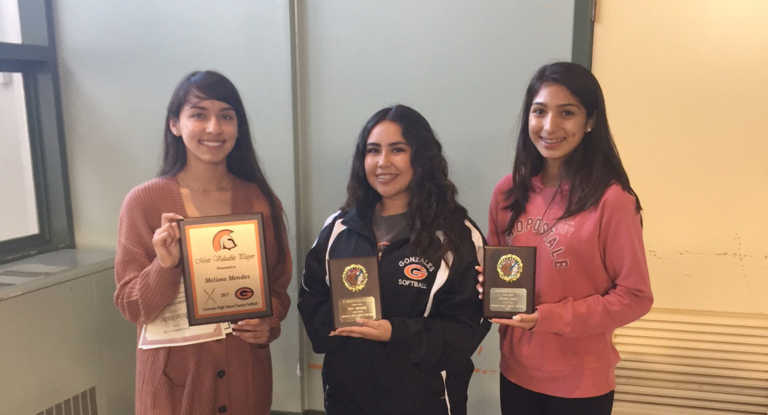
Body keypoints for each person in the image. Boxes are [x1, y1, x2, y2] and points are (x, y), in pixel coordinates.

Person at [113, 70, 291, 415]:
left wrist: (267, 323)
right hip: (175, 387)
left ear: (238, 127)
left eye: (226, 116)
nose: (214, 128)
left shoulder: (260, 201)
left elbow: (278, 291)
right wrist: (164, 266)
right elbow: (131, 306)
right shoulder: (144, 202)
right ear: (175, 125)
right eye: (199, 114)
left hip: (245, 378)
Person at [481, 62, 653, 414]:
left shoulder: (613, 200)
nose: (549, 126)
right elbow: (498, 270)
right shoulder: (507, 193)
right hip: (515, 372)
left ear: (590, 121)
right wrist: (484, 284)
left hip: (581, 384)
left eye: (567, 113)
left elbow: (635, 297)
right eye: (539, 111)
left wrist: (550, 318)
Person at [298, 104, 489, 415]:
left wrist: (395, 332)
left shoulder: (457, 235)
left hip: (425, 401)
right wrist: (337, 323)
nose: (383, 162)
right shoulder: (338, 227)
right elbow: (311, 298)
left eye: (397, 150)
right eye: (373, 150)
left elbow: (467, 330)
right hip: (348, 397)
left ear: (422, 158)